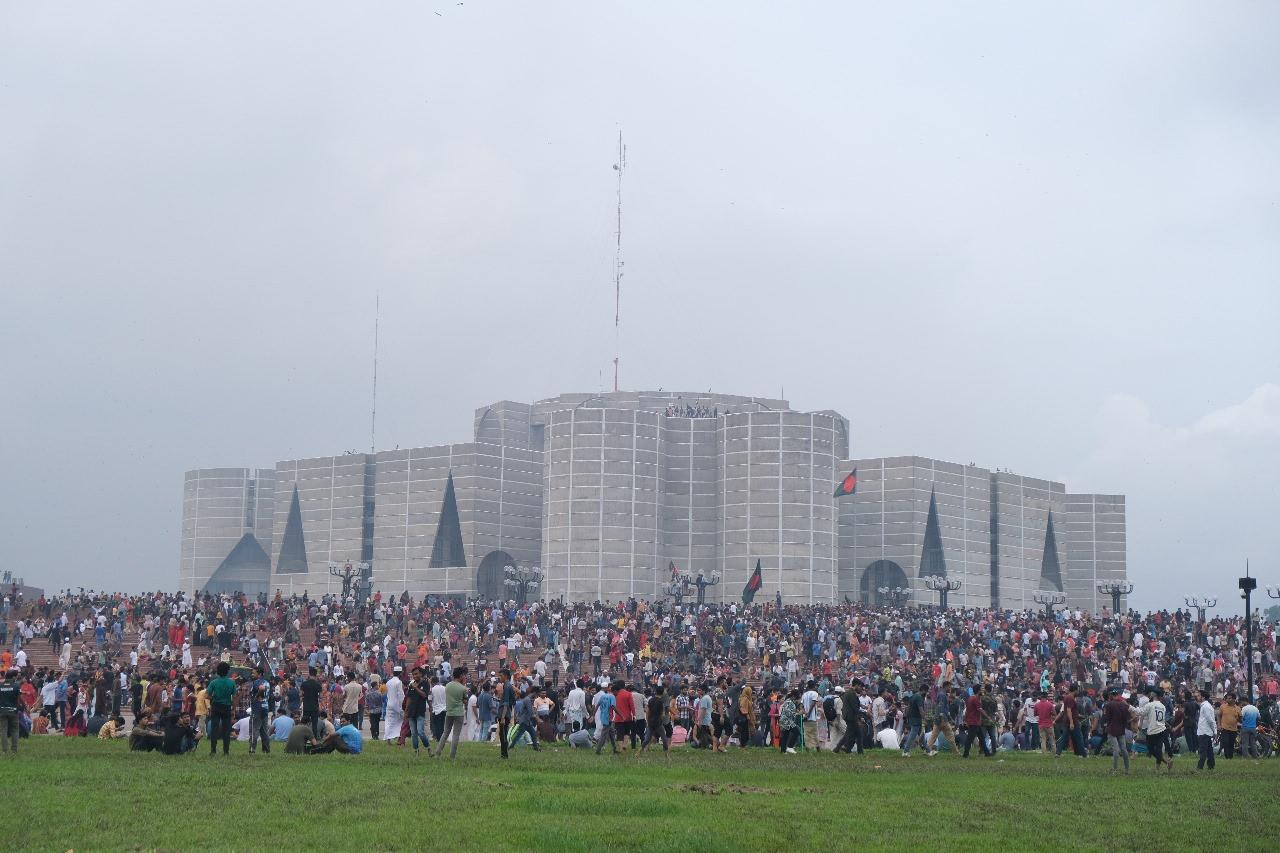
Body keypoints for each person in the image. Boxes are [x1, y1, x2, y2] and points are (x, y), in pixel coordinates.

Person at [434, 666, 467, 759]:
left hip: (449, 712)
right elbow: (465, 701)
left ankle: (438, 752)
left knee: (445, 733)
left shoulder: (447, 685)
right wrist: (463, 685)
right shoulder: (462, 688)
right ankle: (452, 756)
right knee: (456, 734)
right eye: (463, 675)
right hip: (459, 713)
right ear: (460, 676)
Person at [206, 661, 236, 756]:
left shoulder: (214, 682)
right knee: (226, 730)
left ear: (218, 671)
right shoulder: (231, 682)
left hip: (216, 706)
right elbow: (234, 698)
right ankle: (226, 751)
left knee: (214, 729)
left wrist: (214, 698)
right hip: (227, 707)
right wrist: (233, 709)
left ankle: (213, 750)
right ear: (227, 671)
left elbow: (207, 695)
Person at [1139, 688, 1173, 772]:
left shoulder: (1150, 705)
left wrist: (1129, 707)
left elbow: (1141, 712)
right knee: (1158, 748)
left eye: (1151, 693)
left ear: (1154, 695)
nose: (1150, 694)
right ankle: (1159, 767)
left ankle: (1165, 762)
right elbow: (1161, 719)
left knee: (1151, 749)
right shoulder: (1162, 706)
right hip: (1161, 729)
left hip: (1153, 729)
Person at [1101, 688, 1131, 773]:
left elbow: (1107, 718)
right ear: (1117, 695)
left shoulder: (1109, 705)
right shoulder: (1124, 705)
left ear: (1111, 695)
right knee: (1124, 749)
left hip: (1111, 729)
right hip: (1121, 730)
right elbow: (1127, 718)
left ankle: (1115, 769)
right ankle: (1127, 769)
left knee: (1116, 749)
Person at [405, 667, 430, 755]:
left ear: (421, 674)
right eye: (413, 674)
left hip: (420, 711)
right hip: (412, 712)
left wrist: (416, 688)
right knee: (413, 734)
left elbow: (424, 695)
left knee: (421, 732)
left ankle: (428, 747)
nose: (414, 676)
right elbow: (409, 698)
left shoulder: (425, 683)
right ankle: (416, 751)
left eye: (416, 674)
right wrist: (406, 710)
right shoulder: (411, 685)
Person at [962, 688, 992, 758]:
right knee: (970, 739)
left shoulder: (970, 698)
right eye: (981, 690)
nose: (982, 691)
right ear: (978, 691)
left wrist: (966, 720)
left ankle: (987, 753)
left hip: (973, 721)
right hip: (974, 722)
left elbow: (967, 710)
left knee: (981, 738)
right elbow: (980, 709)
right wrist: (988, 717)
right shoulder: (976, 699)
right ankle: (965, 754)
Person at [249, 670, 272, 754]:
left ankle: (252, 749)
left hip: (257, 708)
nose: (252, 674)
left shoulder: (257, 682)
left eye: (253, 673)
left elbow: (261, 688)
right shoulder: (267, 682)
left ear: (259, 674)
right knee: (264, 730)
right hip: (265, 708)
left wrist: (257, 697)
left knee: (254, 730)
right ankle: (266, 749)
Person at [496, 669, 517, 759]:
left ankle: (504, 755)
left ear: (506, 676)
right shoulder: (507, 686)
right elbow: (512, 700)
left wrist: (503, 717)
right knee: (502, 733)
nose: (499, 677)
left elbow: (506, 703)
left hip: (504, 713)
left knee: (503, 734)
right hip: (505, 711)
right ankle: (503, 754)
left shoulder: (507, 686)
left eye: (501, 675)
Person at [594, 681, 619, 755]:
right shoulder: (612, 697)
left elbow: (597, 705)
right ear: (614, 691)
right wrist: (621, 715)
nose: (617, 693)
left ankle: (615, 749)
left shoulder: (603, 696)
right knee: (603, 735)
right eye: (617, 692)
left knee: (612, 733)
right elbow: (613, 707)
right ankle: (598, 750)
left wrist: (593, 715)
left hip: (603, 717)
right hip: (608, 718)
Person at [0, 668, 21, 754]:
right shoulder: (16, 685)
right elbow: (18, 699)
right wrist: (20, 707)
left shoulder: (0, 685)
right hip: (13, 711)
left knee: (3, 731)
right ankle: (14, 750)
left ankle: (5, 750)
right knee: (15, 730)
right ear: (13, 677)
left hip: (2, 711)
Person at [1196, 689, 1217, 771]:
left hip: (1204, 731)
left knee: (1203, 750)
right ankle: (1211, 766)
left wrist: (1214, 731)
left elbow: (1210, 720)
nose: (1197, 697)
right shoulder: (1206, 705)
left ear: (1203, 697)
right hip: (1206, 731)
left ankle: (1200, 767)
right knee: (1209, 751)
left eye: (1199, 695)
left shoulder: (1206, 706)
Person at [383, 667, 404, 744]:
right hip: (397, 704)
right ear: (400, 673)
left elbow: (388, 694)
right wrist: (403, 705)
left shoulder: (388, 682)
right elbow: (401, 695)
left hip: (389, 704)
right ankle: (399, 739)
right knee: (400, 722)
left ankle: (388, 740)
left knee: (389, 722)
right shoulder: (399, 682)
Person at [1217, 694, 1240, 759]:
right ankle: (1227, 756)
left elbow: (1240, 720)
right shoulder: (1223, 706)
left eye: (1229, 698)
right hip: (1224, 728)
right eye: (1227, 698)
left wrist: (1238, 717)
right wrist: (1219, 725)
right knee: (1226, 742)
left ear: (1234, 699)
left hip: (1233, 729)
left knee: (1231, 743)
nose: (1228, 700)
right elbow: (1218, 715)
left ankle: (1230, 757)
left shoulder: (1238, 708)